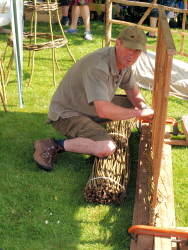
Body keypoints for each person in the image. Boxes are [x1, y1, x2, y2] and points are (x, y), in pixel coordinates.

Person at [33, 26, 154, 172]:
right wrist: (140, 114)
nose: (132, 55)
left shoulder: (124, 62)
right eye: (129, 48)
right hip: (66, 114)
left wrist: (143, 108)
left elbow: (132, 92)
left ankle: (88, 128)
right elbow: (103, 111)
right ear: (118, 43)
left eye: (137, 51)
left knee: (132, 105)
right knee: (106, 148)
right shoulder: (98, 67)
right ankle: (53, 145)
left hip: (87, 106)